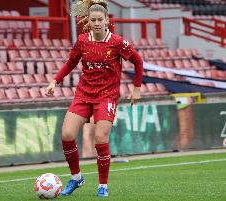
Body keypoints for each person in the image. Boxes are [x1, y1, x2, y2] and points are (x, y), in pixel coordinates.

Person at [45, 0, 143, 197]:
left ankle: (103, 185)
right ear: (88, 22)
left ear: (107, 20)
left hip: (107, 96)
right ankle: (76, 178)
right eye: (93, 20)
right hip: (84, 94)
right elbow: (70, 63)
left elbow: (138, 61)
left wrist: (136, 89)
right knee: (67, 135)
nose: (97, 23)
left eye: (101, 19)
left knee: (100, 137)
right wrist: (55, 81)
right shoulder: (82, 41)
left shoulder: (117, 42)